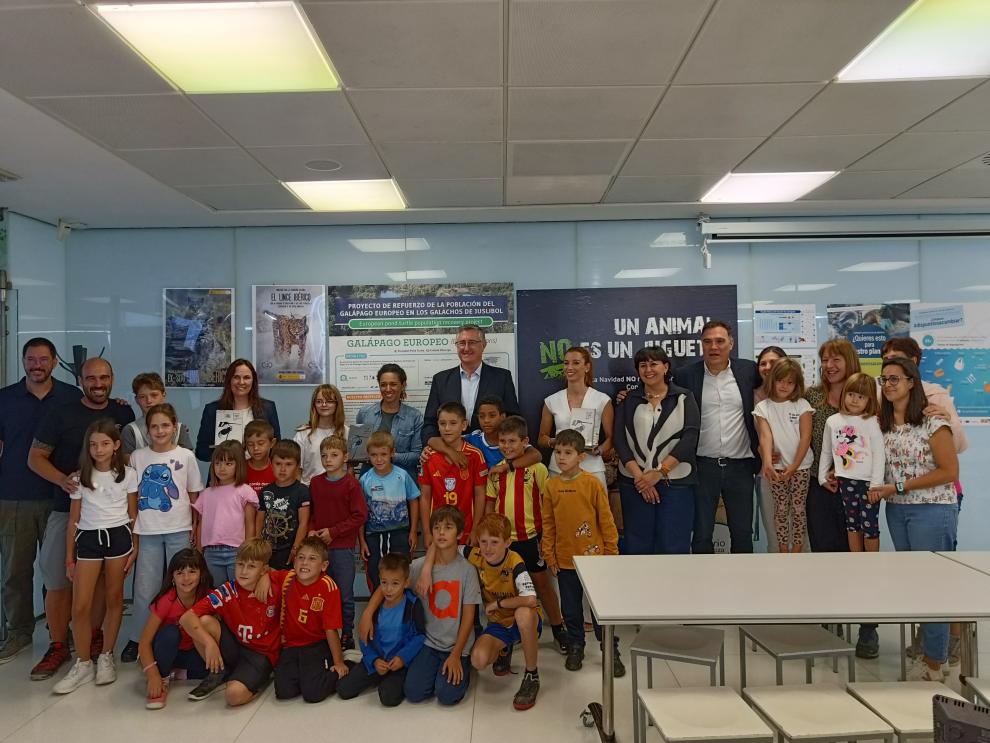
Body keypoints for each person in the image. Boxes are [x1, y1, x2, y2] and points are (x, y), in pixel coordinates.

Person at [28, 357, 135, 680]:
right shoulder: (61, 412)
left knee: (106, 585)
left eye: (104, 377)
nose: (98, 383)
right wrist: (64, 480)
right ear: (81, 381)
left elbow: (127, 465)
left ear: (113, 378)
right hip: (69, 509)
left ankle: (98, 642)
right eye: (91, 378)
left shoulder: (122, 413)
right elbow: (35, 457)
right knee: (59, 579)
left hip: (112, 521)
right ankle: (59, 644)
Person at [868, 356, 959, 682]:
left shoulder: (933, 422)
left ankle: (935, 664)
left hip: (931, 510)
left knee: (934, 587)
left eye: (895, 378)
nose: (889, 385)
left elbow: (949, 471)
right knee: (917, 587)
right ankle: (931, 655)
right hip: (897, 510)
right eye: (884, 379)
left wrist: (900, 486)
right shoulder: (884, 424)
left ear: (911, 381)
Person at [0, 337, 78, 664]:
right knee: (14, 571)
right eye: (31, 359)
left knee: (58, 572)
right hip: (13, 496)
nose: (37, 365)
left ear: (54, 362)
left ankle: (61, 633)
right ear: (23, 362)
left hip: (58, 499)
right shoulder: (4, 399)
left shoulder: (71, 397)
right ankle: (18, 631)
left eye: (43, 359)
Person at [53, 420, 138, 694]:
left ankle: (106, 655)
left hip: (118, 538)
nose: (98, 450)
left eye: (104, 444)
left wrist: (134, 547)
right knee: (81, 605)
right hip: (88, 541)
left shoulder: (128, 474)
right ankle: (83, 661)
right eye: (93, 444)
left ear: (115, 445)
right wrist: (69, 558)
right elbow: (73, 521)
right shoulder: (80, 478)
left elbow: (133, 514)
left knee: (114, 599)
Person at [123, 403, 203, 664]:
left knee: (183, 586)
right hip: (148, 531)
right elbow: (133, 496)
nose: (159, 431)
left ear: (175, 427)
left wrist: (196, 531)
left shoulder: (186, 456)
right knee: (146, 588)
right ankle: (139, 639)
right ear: (147, 430)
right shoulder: (137, 457)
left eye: (165, 425)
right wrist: (134, 528)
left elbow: (194, 496)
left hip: (179, 529)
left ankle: (186, 636)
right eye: (154, 426)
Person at [673, 320, 761, 554]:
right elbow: (662, 395)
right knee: (701, 533)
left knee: (742, 532)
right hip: (702, 466)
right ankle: (703, 586)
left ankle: (744, 585)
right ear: (701, 345)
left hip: (741, 466)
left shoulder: (749, 371)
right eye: (708, 341)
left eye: (720, 341)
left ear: (731, 344)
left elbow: (778, 392)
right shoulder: (685, 376)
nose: (714, 347)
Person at [485, 415, 567, 654]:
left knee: (542, 585)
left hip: (531, 538)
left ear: (525, 442)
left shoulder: (537, 469)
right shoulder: (497, 471)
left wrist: (547, 536)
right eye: (502, 441)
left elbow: (548, 503)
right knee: (505, 588)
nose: (507, 446)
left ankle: (559, 628)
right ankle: (507, 632)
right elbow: (490, 504)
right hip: (504, 544)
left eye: (512, 441)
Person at [543, 429, 622, 676]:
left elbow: (606, 521)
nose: (561, 457)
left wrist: (611, 553)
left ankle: (610, 649)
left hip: (595, 561)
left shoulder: (592, 484)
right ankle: (576, 645)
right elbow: (548, 523)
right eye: (557, 452)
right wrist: (549, 554)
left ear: (581, 456)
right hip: (566, 562)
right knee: (571, 609)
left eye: (568, 453)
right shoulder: (551, 486)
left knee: (600, 608)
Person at [614, 346, 700, 555]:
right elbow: (620, 441)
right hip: (635, 484)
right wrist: (641, 480)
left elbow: (689, 439)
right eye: (643, 365)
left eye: (654, 364)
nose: (648, 369)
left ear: (666, 367)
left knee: (674, 545)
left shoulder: (683, 397)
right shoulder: (628, 400)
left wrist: (660, 473)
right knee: (638, 545)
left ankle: (674, 588)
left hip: (675, 484)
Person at [181, 538, 284, 706]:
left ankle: (259, 680)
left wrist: (267, 576)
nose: (243, 571)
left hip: (261, 654)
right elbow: (186, 618)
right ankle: (219, 673)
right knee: (204, 621)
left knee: (233, 696)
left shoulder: (274, 584)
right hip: (236, 646)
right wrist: (209, 644)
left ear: (263, 569)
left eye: (251, 566)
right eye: (240, 564)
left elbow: (300, 574)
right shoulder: (228, 590)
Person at [404, 506, 480, 706]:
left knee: (446, 695)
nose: (441, 532)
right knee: (413, 692)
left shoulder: (468, 571)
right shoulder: (420, 567)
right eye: (436, 528)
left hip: (458, 646)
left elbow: (468, 617)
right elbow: (391, 580)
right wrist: (368, 613)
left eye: (448, 527)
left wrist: (456, 654)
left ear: (460, 534)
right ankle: (435, 671)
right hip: (429, 644)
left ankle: (462, 668)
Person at [422, 324, 520, 466]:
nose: (466, 348)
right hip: (450, 457)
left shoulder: (502, 377)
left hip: (493, 458)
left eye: (472, 343)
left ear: (484, 345)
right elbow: (429, 424)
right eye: (461, 343)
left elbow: (513, 419)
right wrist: (442, 449)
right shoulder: (441, 380)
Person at [337, 552, 425, 707]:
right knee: (343, 689)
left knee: (388, 698)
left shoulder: (413, 604)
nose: (389, 589)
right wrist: (374, 660)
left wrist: (402, 658)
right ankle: (360, 667)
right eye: (384, 582)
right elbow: (364, 637)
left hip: (399, 664)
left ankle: (388, 680)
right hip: (376, 661)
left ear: (406, 583)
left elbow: (420, 637)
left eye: (395, 583)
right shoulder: (375, 606)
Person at [308, 434, 367, 650]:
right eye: (324, 456)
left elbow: (359, 516)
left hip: (342, 548)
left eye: (334, 455)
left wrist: (333, 532)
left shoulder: (351, 484)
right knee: (321, 592)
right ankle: (322, 633)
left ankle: (347, 635)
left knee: (344, 594)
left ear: (345, 457)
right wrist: (312, 530)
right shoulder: (315, 483)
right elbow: (312, 513)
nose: (328, 459)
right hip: (320, 549)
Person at [274, 536, 349, 703]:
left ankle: (345, 665)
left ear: (323, 566)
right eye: (301, 557)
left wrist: (339, 663)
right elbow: (266, 572)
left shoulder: (328, 587)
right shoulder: (287, 579)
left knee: (313, 694)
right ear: (294, 561)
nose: (305, 563)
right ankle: (306, 673)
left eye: (312, 559)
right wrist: (264, 578)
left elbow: (331, 629)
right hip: (292, 646)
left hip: (317, 644)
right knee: (283, 691)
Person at [139, 549, 214, 710]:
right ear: (172, 577)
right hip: (165, 649)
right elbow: (144, 643)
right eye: (180, 573)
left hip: (190, 652)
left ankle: (179, 673)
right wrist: (153, 675)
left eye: (192, 572)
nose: (186, 578)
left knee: (217, 668)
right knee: (171, 633)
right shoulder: (166, 601)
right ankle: (163, 677)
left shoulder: (208, 596)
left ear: (201, 574)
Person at [753, 358, 813, 554]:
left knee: (797, 509)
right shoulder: (764, 407)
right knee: (780, 510)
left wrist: (794, 466)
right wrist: (768, 463)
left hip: (801, 468)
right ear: (772, 380)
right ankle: (782, 549)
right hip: (776, 470)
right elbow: (765, 436)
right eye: (780, 381)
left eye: (790, 382)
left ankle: (796, 549)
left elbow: (806, 438)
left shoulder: (802, 405)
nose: (784, 386)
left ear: (796, 384)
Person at [819, 373, 885, 553]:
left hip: (868, 483)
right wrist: (821, 477)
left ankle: (872, 564)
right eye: (851, 395)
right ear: (844, 394)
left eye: (861, 397)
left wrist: (876, 485)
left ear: (869, 399)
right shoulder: (832, 421)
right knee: (851, 524)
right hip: (845, 480)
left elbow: (879, 454)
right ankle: (856, 562)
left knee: (870, 526)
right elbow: (826, 450)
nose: (855, 400)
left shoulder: (872, 421)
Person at [538, 345, 614, 488]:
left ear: (587, 367)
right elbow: (542, 438)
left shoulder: (602, 400)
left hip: (592, 469)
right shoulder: (551, 401)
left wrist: (599, 450)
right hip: (559, 469)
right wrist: (557, 442)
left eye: (576, 363)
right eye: (566, 363)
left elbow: (611, 438)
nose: (569, 367)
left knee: (596, 510)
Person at [419, 401, 488, 547]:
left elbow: (480, 494)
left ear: (463, 425)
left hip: (467, 530)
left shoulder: (475, 455)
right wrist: (427, 532)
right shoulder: (428, 457)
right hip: (438, 531)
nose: (447, 428)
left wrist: (476, 529)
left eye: (453, 423)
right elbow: (425, 497)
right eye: (442, 423)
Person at [359, 430, 420, 589]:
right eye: (374, 455)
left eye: (383, 454)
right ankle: (378, 610)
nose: (379, 459)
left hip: (400, 534)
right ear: (368, 455)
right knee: (375, 572)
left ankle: (400, 610)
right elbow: (360, 512)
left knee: (400, 571)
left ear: (392, 453)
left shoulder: (402, 475)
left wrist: (413, 531)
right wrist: (361, 540)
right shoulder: (365, 479)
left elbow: (414, 500)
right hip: (373, 535)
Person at [193, 440, 258, 586]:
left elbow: (250, 524)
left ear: (238, 465)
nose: (222, 468)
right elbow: (201, 524)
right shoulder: (206, 493)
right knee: (218, 593)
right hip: (211, 552)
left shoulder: (245, 491)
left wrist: (248, 551)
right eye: (218, 463)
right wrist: (199, 550)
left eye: (229, 464)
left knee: (239, 591)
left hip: (237, 552)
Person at [195, 359, 280, 462]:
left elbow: (276, 448)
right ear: (229, 380)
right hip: (224, 474)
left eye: (247, 377)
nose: (241, 382)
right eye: (236, 377)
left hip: (257, 473)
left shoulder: (268, 408)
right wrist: (225, 453)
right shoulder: (212, 410)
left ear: (253, 381)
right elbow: (201, 452)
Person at [355, 364, 423, 480]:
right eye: (383, 385)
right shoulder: (365, 413)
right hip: (369, 480)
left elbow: (418, 455)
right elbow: (358, 450)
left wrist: (389, 456)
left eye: (393, 384)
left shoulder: (415, 417)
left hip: (403, 482)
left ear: (403, 385)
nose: (387, 389)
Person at [255, 439, 310, 570]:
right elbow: (260, 520)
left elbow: (304, 522)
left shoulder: (302, 491)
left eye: (288, 464)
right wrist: (258, 545)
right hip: (267, 552)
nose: (283, 469)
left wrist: (296, 549)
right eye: (278, 463)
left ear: (297, 466)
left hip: (290, 551)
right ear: (271, 464)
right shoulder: (266, 491)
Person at [755, 345, 786, 552]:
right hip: (767, 472)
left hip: (798, 472)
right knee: (774, 533)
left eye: (773, 362)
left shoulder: (800, 397)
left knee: (801, 533)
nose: (767, 367)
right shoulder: (753, 396)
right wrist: (761, 451)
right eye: (762, 363)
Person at [465, 395, 543, 472]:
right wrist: (453, 453)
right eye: (481, 416)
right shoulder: (474, 437)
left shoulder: (510, 438)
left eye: (492, 415)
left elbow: (536, 455)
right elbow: (453, 442)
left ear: (502, 417)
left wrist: (506, 467)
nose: (486, 420)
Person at [122, 372, 193, 455]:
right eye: (142, 397)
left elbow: (187, 462)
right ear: (136, 400)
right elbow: (128, 464)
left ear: (163, 395)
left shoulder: (179, 428)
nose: (149, 401)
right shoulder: (130, 431)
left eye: (154, 395)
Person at [293, 384, 349, 485]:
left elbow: (350, 468)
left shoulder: (346, 432)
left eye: (329, 401)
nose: (324, 405)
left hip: (340, 490)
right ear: (314, 405)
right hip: (309, 489)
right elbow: (297, 470)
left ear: (337, 404)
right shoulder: (303, 434)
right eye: (319, 401)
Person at [244, 420, 277, 495]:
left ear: (272, 443)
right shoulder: (240, 469)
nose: (255, 448)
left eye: (260, 443)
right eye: (250, 444)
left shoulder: (278, 468)